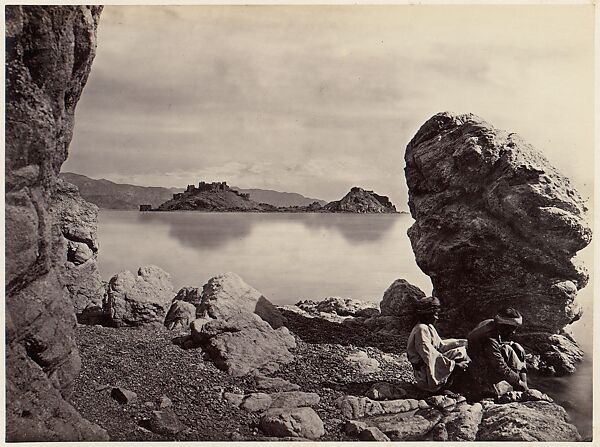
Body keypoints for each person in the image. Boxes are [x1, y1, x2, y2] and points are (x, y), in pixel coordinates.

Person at [406, 296, 470, 392]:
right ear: (426, 314)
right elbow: (429, 355)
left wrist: (463, 342)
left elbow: (441, 346)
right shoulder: (421, 329)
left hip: (428, 367)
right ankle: (441, 387)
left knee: (461, 350)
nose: (437, 317)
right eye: (435, 314)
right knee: (460, 355)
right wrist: (454, 365)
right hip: (425, 373)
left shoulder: (429, 327)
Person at [465, 307, 528, 399]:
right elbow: (500, 367)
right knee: (513, 351)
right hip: (478, 371)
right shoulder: (489, 339)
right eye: (512, 329)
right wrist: (517, 380)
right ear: (503, 325)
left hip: (479, 359)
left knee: (515, 348)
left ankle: (523, 384)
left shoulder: (488, 323)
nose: (514, 332)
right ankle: (523, 386)